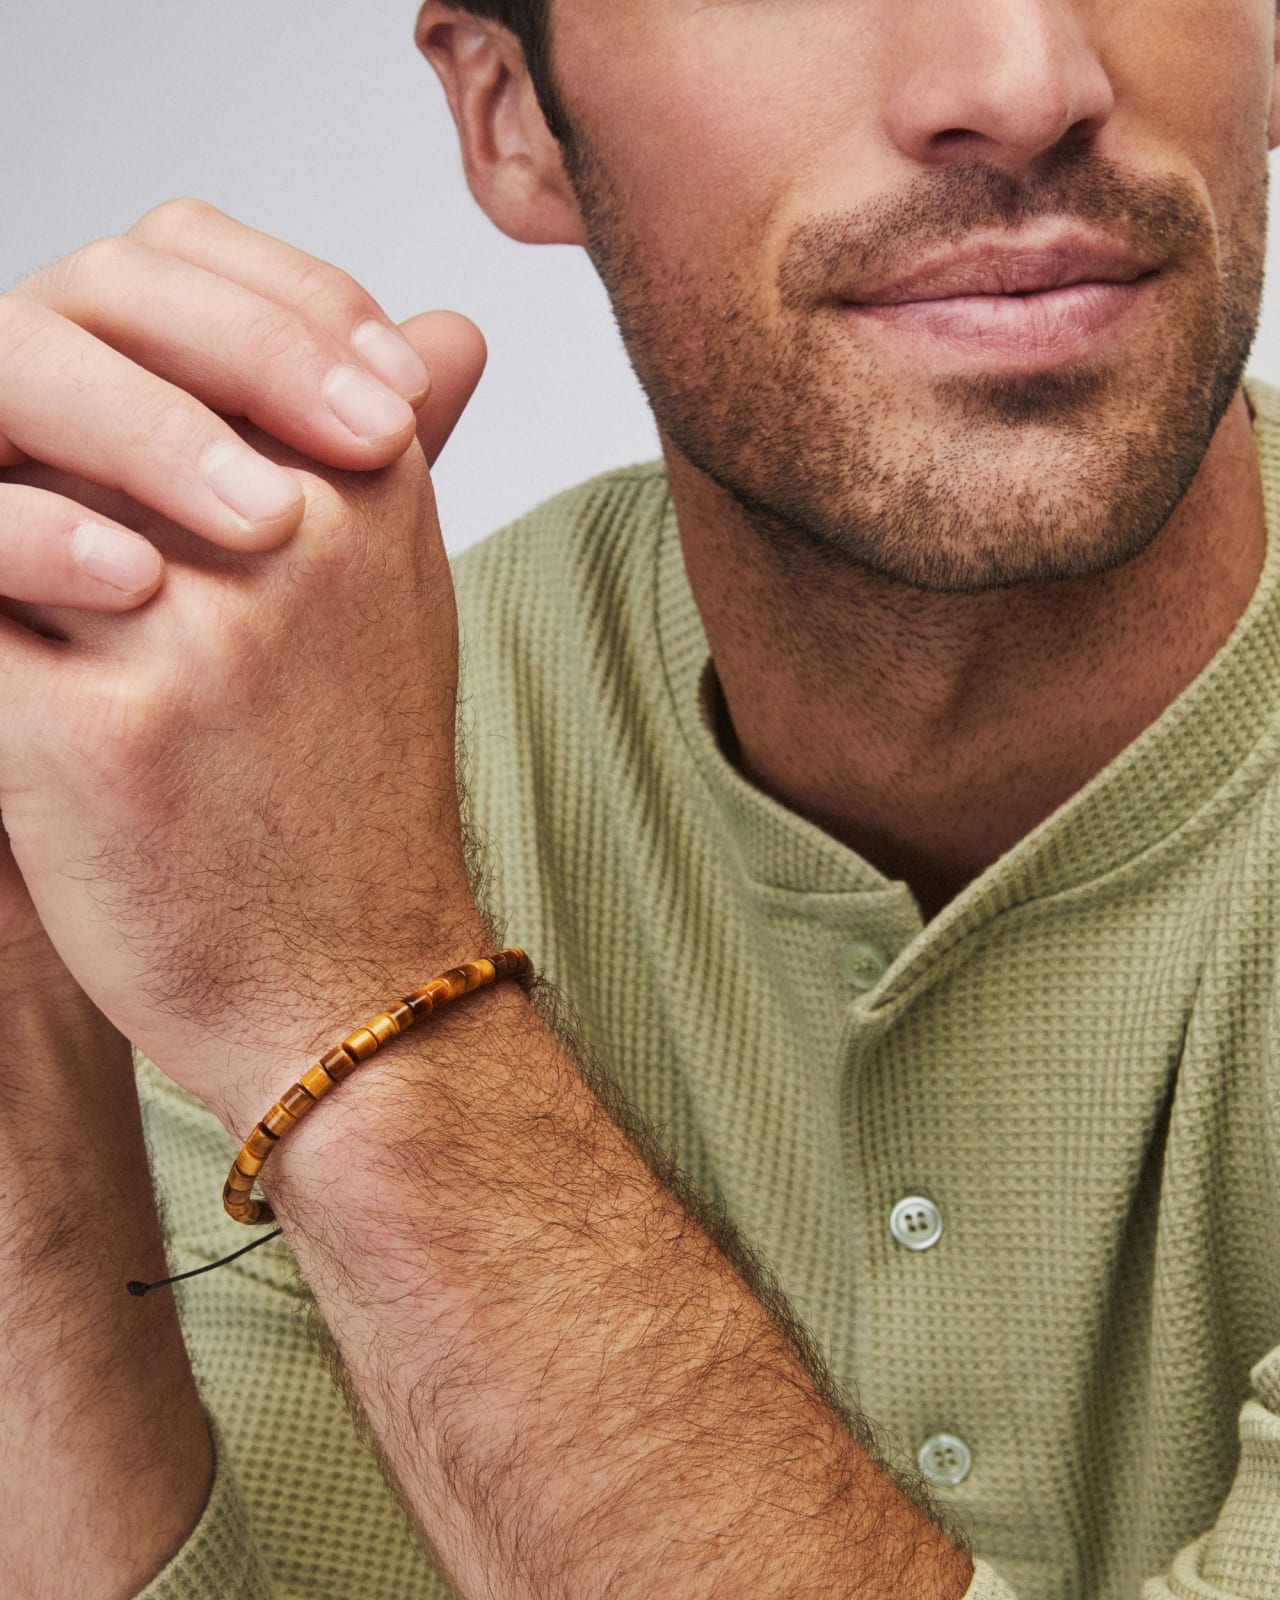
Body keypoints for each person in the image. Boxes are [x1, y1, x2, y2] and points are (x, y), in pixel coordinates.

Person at [1, 0, 1277, 1595]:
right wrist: (24, 1058)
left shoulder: (317, 897)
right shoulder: (275, 764)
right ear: (516, 112)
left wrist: (367, 1004)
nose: (1021, 85)